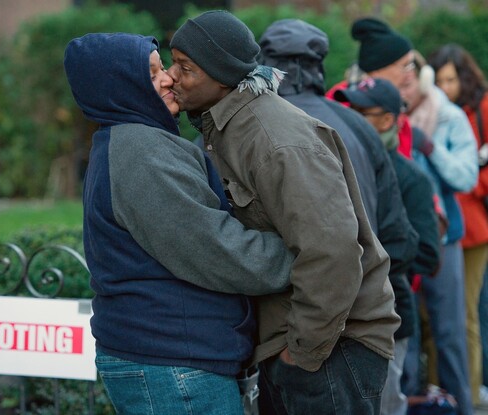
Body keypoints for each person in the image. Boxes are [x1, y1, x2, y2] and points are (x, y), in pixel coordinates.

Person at [168, 10, 400, 414]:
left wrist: (302, 352)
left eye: (185, 67)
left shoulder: (275, 140)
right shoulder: (230, 127)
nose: (172, 76)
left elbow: (333, 251)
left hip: (330, 351)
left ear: (221, 74)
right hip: (300, 346)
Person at [64, 32, 298, 414]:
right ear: (120, 86)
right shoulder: (141, 152)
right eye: (152, 73)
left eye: (164, 68)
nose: (169, 78)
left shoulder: (130, 141)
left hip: (170, 359)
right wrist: (301, 254)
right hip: (173, 364)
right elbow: (213, 249)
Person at [257, 21, 420, 414]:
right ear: (319, 63)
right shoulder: (361, 128)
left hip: (280, 335)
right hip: (356, 333)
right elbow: (400, 240)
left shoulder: (243, 127)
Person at [335, 77, 441, 415]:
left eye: (363, 112)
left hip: (390, 317)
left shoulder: (411, 178)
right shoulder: (340, 164)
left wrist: (367, 256)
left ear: (387, 120)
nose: (351, 118)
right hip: (343, 317)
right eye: (350, 110)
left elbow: (426, 253)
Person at [399, 49, 478, 415]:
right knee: (407, 333)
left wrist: (430, 148)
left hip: (444, 240)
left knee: (450, 333)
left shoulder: (449, 116)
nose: (404, 88)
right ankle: (412, 405)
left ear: (422, 79)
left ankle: (462, 405)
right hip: (403, 242)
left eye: (409, 80)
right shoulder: (386, 115)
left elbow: (466, 176)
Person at [428, 43, 488, 409]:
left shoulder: (480, 109)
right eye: (439, 80)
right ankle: (437, 393)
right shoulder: (429, 110)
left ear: (464, 78)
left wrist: (469, 183)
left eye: (450, 80)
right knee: (436, 315)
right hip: (440, 227)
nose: (445, 87)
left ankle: (467, 392)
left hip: (474, 228)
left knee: (463, 316)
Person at [327, 16, 415, 159]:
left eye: (412, 66)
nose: (410, 75)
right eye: (405, 66)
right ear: (377, 69)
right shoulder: (338, 100)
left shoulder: (398, 109)